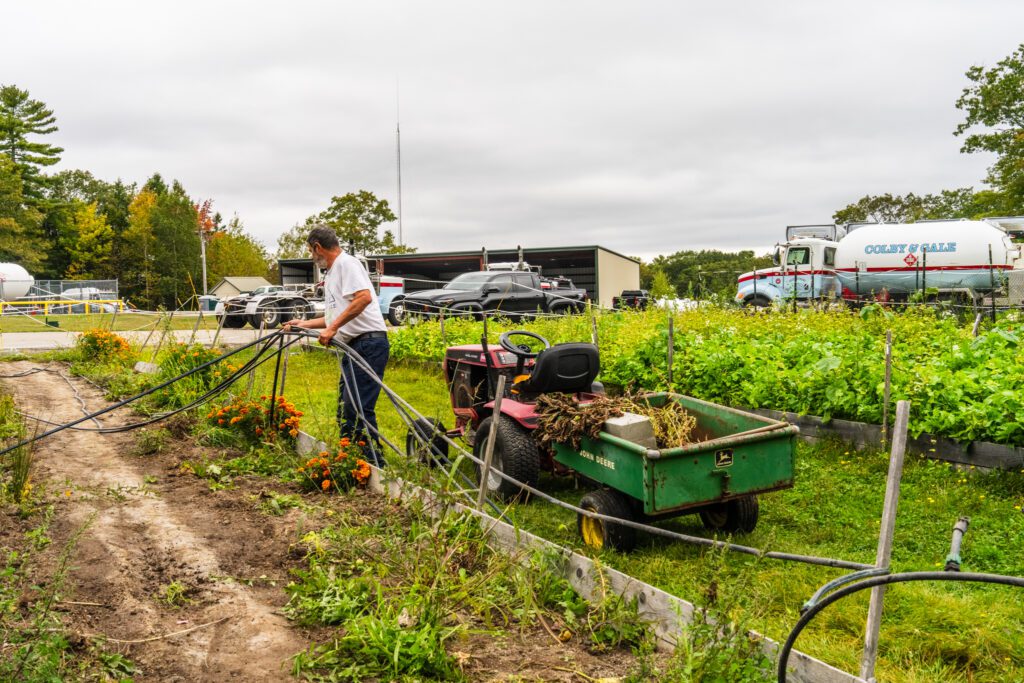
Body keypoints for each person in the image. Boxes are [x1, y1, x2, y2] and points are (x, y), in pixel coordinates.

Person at [284, 225, 390, 466]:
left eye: (311, 252)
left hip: (369, 343)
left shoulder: (347, 264)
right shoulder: (333, 272)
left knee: (358, 407)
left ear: (318, 247)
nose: (312, 257)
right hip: (354, 345)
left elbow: (363, 298)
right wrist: (305, 323)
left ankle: (373, 464)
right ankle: (350, 457)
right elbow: (335, 316)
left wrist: (331, 329)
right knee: (345, 407)